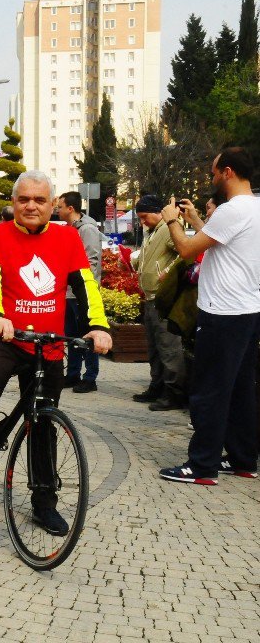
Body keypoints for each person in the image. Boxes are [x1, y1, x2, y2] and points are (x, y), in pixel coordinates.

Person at [0, 170, 112, 536]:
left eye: (40, 200)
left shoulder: (66, 237)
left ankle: (43, 502)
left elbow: (85, 285)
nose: (31, 206)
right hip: (4, 337)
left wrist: (98, 325)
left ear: (53, 205)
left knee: (43, 422)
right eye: (24, 199)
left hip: (48, 342)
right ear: (13, 203)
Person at [158, 147, 260, 485]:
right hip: (247, 311)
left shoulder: (232, 210)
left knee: (209, 390)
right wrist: (197, 223)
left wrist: (171, 219)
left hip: (222, 312)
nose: (212, 177)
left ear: (228, 172)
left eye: (215, 171)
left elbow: (188, 250)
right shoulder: (253, 208)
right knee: (241, 389)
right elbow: (221, 242)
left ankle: (202, 466)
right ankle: (244, 459)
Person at [130, 194, 189, 410]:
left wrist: (168, 271)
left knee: (168, 347)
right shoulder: (153, 231)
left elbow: (186, 253)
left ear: (157, 212)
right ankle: (157, 387)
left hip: (163, 298)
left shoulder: (168, 229)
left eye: (145, 216)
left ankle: (173, 393)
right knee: (154, 347)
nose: (142, 221)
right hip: (150, 298)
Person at [56, 192, 103, 393]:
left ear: (71, 208)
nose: (57, 210)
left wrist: (81, 287)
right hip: (68, 293)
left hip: (81, 294)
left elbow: (91, 262)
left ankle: (90, 377)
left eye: (60, 207)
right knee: (71, 336)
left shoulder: (87, 229)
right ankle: (73, 374)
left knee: (87, 335)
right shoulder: (69, 230)